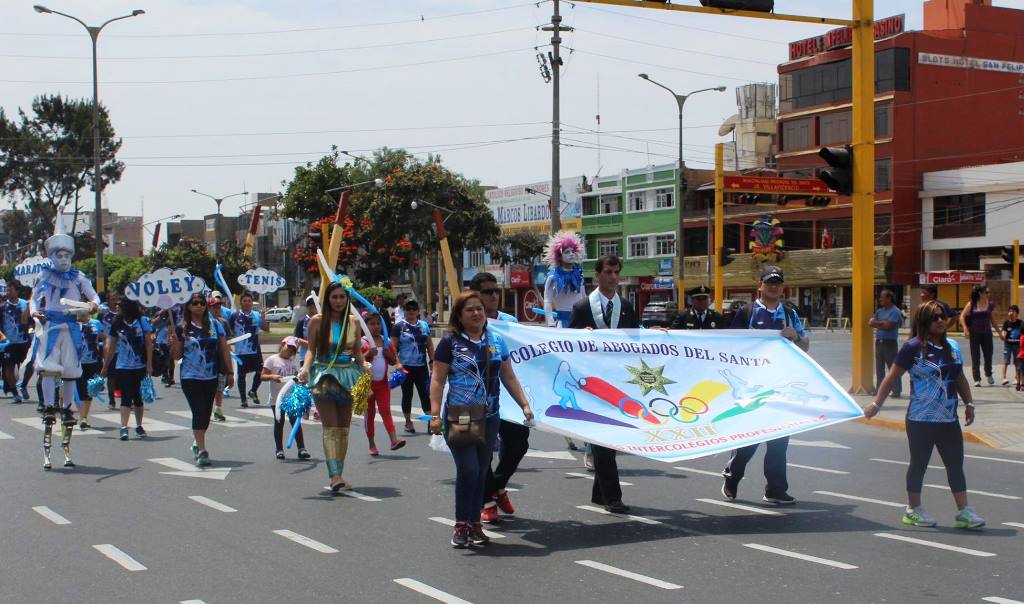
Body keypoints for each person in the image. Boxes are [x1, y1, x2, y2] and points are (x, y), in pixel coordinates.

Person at [865, 301, 985, 529]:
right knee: (919, 463)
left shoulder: (952, 346)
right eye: (934, 317)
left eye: (943, 316)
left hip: (948, 418)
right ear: (924, 321)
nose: (940, 320)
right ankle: (913, 510)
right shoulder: (913, 348)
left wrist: (969, 403)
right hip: (921, 418)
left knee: (955, 464)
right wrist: (876, 404)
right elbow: (891, 377)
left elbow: (959, 377)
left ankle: (964, 512)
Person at [428, 291, 533, 548]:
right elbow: (438, 380)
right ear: (459, 316)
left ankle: (475, 525)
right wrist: (433, 415)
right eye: (470, 310)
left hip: (490, 416)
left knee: (479, 475)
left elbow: (508, 377)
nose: (476, 313)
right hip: (461, 414)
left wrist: (524, 404)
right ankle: (461, 525)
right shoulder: (450, 343)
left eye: (479, 309)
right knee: (469, 470)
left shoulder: (497, 340)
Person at [722, 265, 809, 506]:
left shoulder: (790, 313)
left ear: (782, 287)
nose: (773, 286)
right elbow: (730, 346)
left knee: (780, 440)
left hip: (781, 385)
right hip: (752, 386)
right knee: (750, 440)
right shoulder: (746, 312)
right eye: (769, 282)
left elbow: (805, 346)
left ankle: (775, 489)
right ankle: (732, 475)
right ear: (760, 285)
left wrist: (796, 337)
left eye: (777, 282)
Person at [568, 255, 637, 514]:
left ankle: (600, 493)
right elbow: (570, 346)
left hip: (618, 383)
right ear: (597, 274)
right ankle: (613, 497)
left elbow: (636, 342)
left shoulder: (627, 307)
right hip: (593, 384)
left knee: (611, 438)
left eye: (616, 272)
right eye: (608, 272)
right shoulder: (582, 307)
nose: (613, 277)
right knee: (602, 438)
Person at [30, 218, 100, 469]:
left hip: (71, 327)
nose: (62, 259)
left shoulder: (78, 277)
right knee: (49, 366)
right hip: (50, 327)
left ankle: (68, 409)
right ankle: (49, 406)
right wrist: (36, 313)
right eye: (58, 254)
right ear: (52, 256)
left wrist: (92, 305)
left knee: (71, 370)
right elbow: (34, 301)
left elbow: (94, 297)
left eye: (66, 254)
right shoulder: (43, 276)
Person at [297, 281, 366, 492]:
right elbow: (311, 350)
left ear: (347, 299)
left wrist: (365, 374)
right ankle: (334, 475)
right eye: (334, 297)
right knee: (331, 427)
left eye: (342, 297)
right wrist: (305, 369)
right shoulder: (317, 321)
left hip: (349, 375)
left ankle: (340, 474)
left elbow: (356, 352)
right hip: (325, 375)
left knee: (344, 429)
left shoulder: (354, 322)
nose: (338, 301)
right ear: (327, 299)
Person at [471, 272, 527, 524]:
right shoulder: (466, 323)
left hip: (508, 396)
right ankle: (488, 501)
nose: (494, 295)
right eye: (488, 291)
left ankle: (498, 484)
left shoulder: (510, 322)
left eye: (496, 290)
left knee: (518, 443)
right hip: (475, 399)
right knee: (480, 451)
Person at [168, 292, 234, 467]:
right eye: (195, 303)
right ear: (188, 306)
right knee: (198, 412)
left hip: (211, 376)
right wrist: (176, 340)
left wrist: (230, 371)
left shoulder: (215, 324)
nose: (199, 306)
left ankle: (197, 443)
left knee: (206, 414)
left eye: (202, 303)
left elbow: (224, 349)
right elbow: (176, 355)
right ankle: (203, 451)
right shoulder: (183, 327)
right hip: (190, 377)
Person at [101, 298, 153, 442]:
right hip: (122, 366)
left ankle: (139, 425)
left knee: (138, 397)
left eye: (120, 306)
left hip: (140, 365)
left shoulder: (142, 322)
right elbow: (112, 346)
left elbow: (149, 343)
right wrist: (105, 366)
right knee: (126, 396)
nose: (118, 308)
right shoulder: (117, 324)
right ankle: (124, 427)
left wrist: (149, 363)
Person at [359, 311, 406, 456]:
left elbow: (393, 360)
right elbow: (356, 362)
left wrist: (390, 356)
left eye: (378, 323)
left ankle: (393, 440)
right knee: (370, 414)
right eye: (372, 324)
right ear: (365, 326)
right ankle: (372, 444)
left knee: (386, 411)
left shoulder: (386, 341)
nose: (376, 326)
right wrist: (367, 355)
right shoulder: (362, 342)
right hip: (367, 385)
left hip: (383, 384)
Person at [262, 336, 310, 460]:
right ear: (282, 344)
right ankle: (279, 449)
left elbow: (294, 378)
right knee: (279, 422)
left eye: (293, 350)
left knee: (295, 422)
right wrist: (272, 376)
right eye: (288, 347)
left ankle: (301, 448)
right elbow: (262, 376)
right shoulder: (272, 360)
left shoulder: (292, 362)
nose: (289, 351)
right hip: (277, 398)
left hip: (291, 397)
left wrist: (301, 381)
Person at [391, 299, 434, 433]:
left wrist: (432, 360)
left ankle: (429, 422)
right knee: (407, 395)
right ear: (404, 310)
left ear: (418, 311)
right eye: (408, 308)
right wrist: (397, 362)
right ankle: (408, 422)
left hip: (421, 366)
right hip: (405, 367)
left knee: (426, 395)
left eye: (414, 308)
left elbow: (430, 345)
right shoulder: (399, 327)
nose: (411, 311)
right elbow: (393, 347)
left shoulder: (424, 325)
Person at [229, 292, 270, 406]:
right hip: (241, 351)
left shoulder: (256, 315)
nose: (247, 303)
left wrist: (263, 316)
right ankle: (243, 399)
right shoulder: (235, 315)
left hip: (255, 350)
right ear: (241, 303)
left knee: (260, 372)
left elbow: (266, 329)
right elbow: (229, 330)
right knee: (242, 375)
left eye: (249, 301)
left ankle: (253, 391)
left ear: (252, 303)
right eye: (245, 301)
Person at [543, 231, 586, 327]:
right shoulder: (552, 278)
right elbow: (547, 301)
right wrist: (550, 321)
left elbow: (584, 299)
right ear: (559, 257)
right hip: (562, 324)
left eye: (573, 251)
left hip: (580, 324)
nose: (571, 254)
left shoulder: (580, 276)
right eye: (567, 252)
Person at [959, 284, 999, 387]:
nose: (988, 294)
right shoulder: (972, 304)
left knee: (988, 355)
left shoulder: (990, 305)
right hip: (974, 334)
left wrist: (999, 333)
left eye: (989, 292)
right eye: (986, 292)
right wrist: (965, 328)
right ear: (980, 294)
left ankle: (988, 373)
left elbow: (993, 321)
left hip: (987, 333)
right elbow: (962, 316)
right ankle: (977, 378)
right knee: (975, 357)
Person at [74, 310, 106, 430]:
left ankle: (83, 417)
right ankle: (82, 415)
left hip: (93, 361)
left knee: (89, 390)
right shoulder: (73, 325)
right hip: (77, 363)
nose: (81, 315)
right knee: (79, 389)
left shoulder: (96, 323)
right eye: (79, 313)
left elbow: (105, 338)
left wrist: (105, 356)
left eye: (83, 312)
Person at [1, 283, 31, 404]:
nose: (8, 292)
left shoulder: (25, 304)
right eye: (7, 290)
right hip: (9, 343)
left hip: (24, 342)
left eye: (11, 290)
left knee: (31, 365)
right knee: (9, 367)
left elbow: (29, 321)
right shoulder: (3, 307)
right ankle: (14, 392)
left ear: (17, 291)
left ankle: (23, 385)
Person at [870, 289, 903, 398]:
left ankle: (896, 390)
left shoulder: (895, 311)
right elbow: (871, 323)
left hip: (890, 343)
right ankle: (880, 390)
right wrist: (882, 323)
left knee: (892, 368)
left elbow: (890, 326)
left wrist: (877, 323)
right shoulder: (879, 311)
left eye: (882, 297)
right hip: (879, 342)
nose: (880, 299)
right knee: (879, 368)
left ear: (889, 298)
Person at [208, 293, 231, 420]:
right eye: (214, 307)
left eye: (218, 307)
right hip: (208, 360)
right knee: (210, 387)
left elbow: (226, 341)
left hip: (220, 359)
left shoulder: (222, 322)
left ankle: (218, 409)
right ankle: (208, 409)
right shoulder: (203, 322)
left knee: (220, 386)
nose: (217, 309)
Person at [1000, 304, 1022, 389]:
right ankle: (1004, 378)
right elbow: (1003, 332)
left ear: (1017, 313)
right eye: (1009, 311)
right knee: (1006, 361)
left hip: (1017, 345)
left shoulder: (1020, 323)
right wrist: (1003, 335)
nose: (1011, 313)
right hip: (1008, 345)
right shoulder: (1006, 323)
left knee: (1017, 363)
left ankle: (1016, 378)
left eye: (1013, 311)